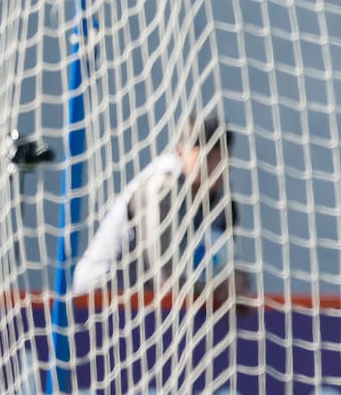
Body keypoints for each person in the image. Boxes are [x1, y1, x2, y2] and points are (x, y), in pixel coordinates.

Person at [73, 112, 249, 311]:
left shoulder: (222, 199)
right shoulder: (161, 187)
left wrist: (236, 278)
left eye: (222, 159)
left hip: (149, 305)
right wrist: (212, 287)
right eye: (208, 157)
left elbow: (230, 257)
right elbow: (164, 274)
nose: (216, 168)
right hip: (98, 298)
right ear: (181, 152)